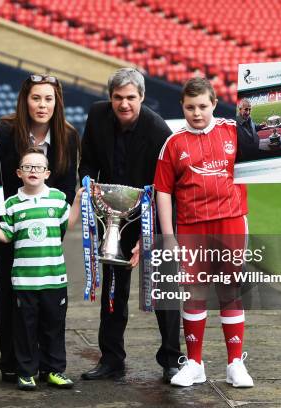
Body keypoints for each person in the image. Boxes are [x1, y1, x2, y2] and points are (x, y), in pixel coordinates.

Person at [154, 77, 281, 389]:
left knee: (230, 290)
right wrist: (169, 236)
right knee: (195, 294)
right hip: (191, 226)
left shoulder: (233, 130)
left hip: (230, 221)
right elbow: (163, 191)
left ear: (214, 104)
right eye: (190, 107)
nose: (197, 113)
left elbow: (273, 152)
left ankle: (235, 363)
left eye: (202, 106)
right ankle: (195, 364)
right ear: (182, 107)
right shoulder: (173, 144)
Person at [78, 67, 182, 382]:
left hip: (153, 212)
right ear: (109, 98)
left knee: (164, 287)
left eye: (131, 98)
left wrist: (150, 235)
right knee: (113, 287)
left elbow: (169, 186)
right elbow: (89, 161)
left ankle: (171, 361)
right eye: (118, 98)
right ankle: (111, 359)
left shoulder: (158, 130)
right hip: (113, 213)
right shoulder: (97, 116)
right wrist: (89, 189)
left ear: (142, 97)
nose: (124, 104)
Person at [0, 74, 79, 383]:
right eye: (36, 98)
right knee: (11, 291)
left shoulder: (68, 136)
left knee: (47, 298)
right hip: (7, 226)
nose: (42, 104)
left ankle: (48, 364)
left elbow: (65, 188)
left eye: (48, 99)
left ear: (57, 102)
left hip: (46, 233)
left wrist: (52, 232)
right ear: (26, 101)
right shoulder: (3, 131)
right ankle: (13, 362)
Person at [0, 148, 83, 391]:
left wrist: (79, 201)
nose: (33, 171)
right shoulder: (12, 204)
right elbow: (5, 236)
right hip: (24, 281)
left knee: (53, 327)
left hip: (54, 279)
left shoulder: (58, 199)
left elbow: (67, 224)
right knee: (25, 329)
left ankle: (54, 370)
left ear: (47, 173)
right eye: (27, 167)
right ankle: (26, 371)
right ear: (19, 173)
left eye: (38, 167)